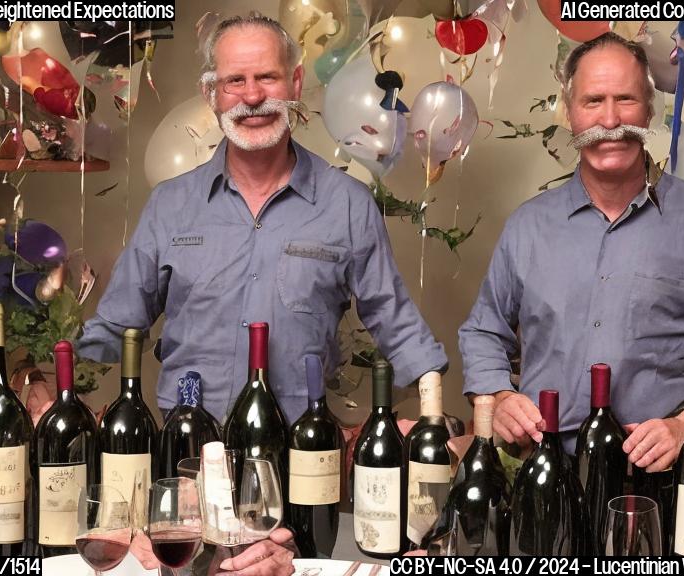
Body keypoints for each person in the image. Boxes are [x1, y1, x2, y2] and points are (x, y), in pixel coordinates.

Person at [78, 14, 447, 572]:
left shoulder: (347, 204)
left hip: (298, 468)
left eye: (268, 79)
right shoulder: (171, 207)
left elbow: (394, 319)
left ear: (296, 86)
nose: (252, 97)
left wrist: (440, 415)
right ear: (212, 93)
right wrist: (39, 384)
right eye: (235, 81)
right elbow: (116, 326)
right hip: (184, 467)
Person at [459, 32, 684, 473]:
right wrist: (497, 397)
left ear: (649, 109)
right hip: (543, 472)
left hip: (656, 479)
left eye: (625, 99)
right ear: (571, 113)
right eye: (593, 101)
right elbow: (482, 331)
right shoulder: (528, 226)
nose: (610, 120)